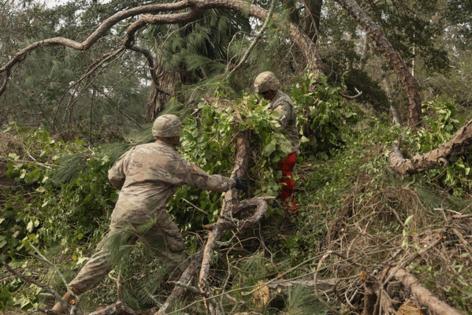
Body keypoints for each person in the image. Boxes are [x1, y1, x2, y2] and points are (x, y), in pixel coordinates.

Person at [51, 114, 246, 314]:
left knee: (103, 259)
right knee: (175, 253)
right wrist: (232, 183)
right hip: (148, 214)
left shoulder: (135, 152)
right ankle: (192, 299)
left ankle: (63, 302)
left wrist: (131, 190)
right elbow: (205, 181)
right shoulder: (174, 160)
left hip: (122, 212)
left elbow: (113, 176)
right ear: (174, 135)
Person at [254, 71, 300, 214]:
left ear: (271, 90)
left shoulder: (283, 104)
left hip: (287, 149)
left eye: (264, 93)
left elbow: (276, 126)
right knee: (279, 178)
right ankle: (283, 202)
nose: (262, 97)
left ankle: (291, 207)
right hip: (278, 149)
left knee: (285, 178)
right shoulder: (271, 101)